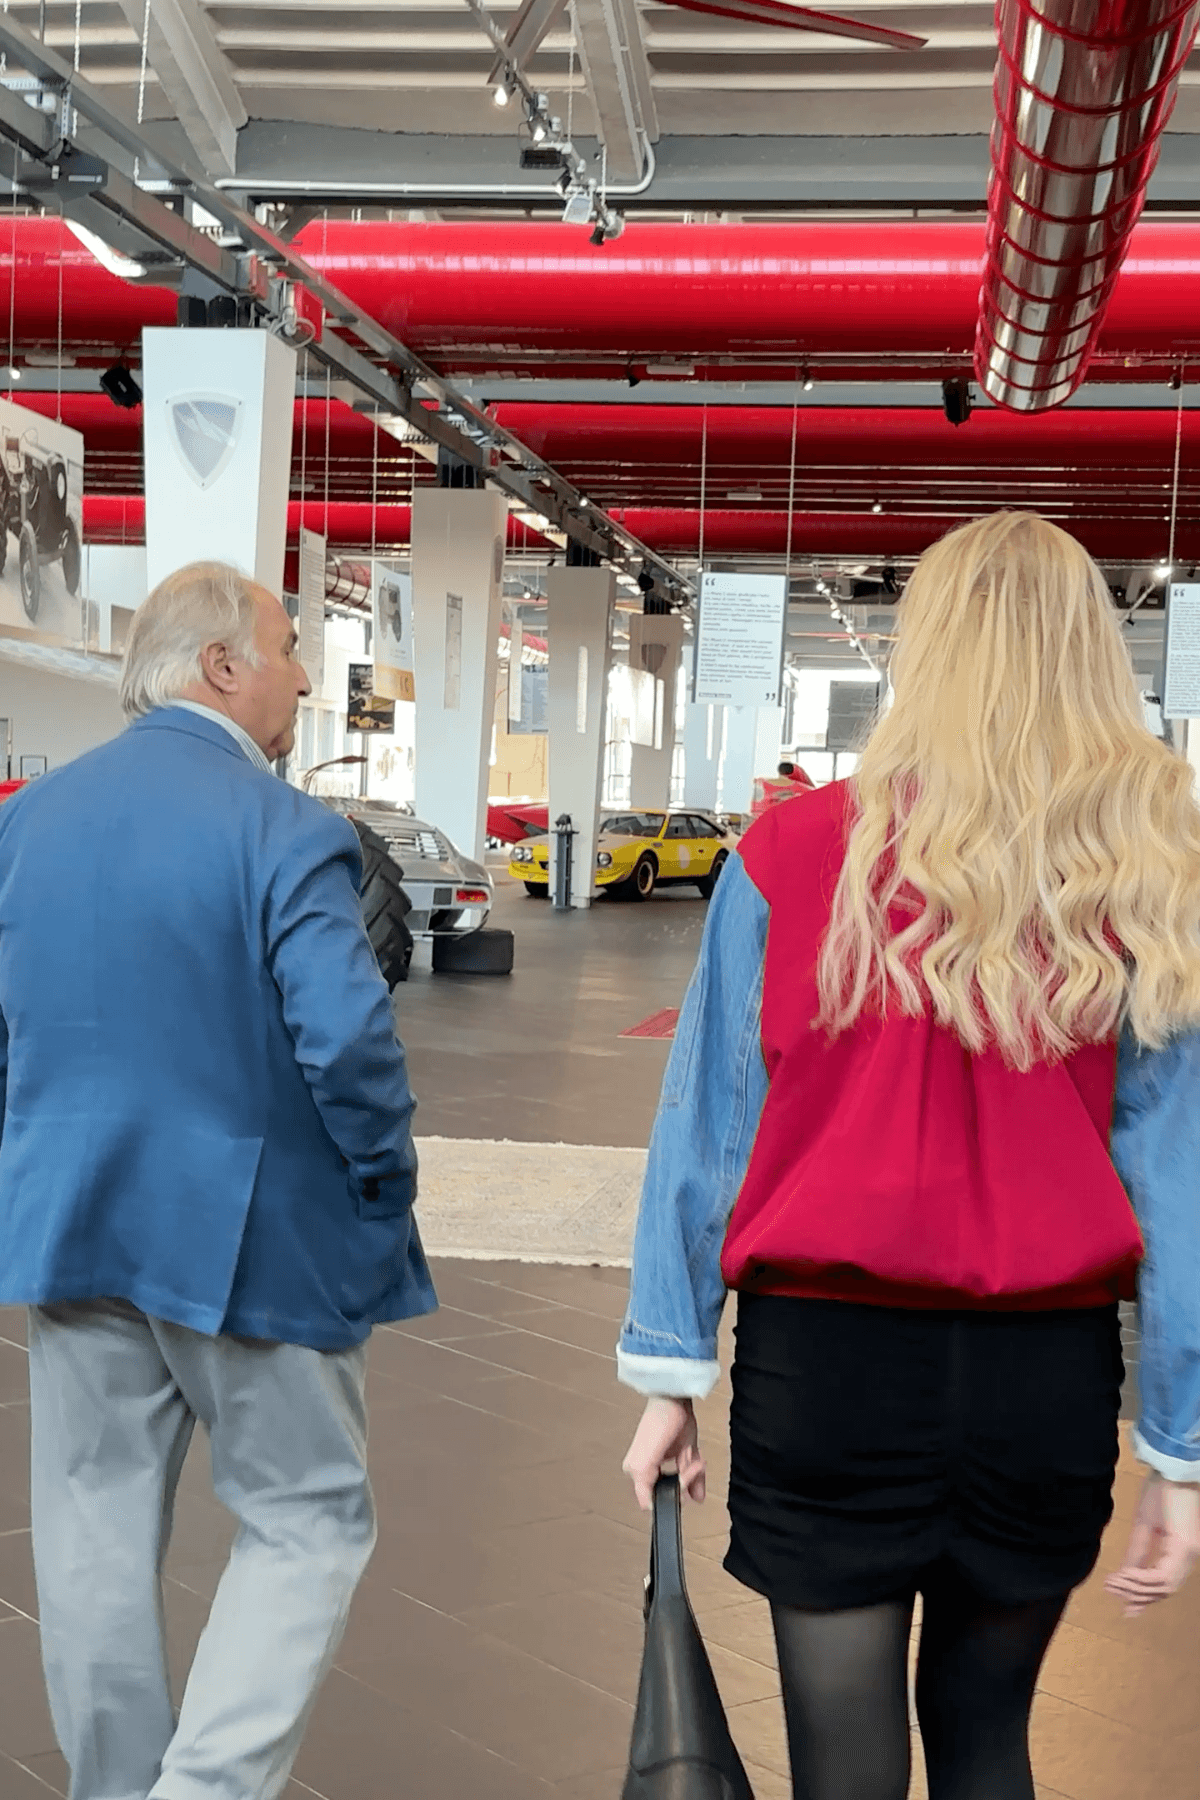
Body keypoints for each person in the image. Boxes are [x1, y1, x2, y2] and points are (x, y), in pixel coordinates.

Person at [618, 511, 1200, 1800]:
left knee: (844, 1769)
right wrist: (1179, 1446)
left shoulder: (789, 854)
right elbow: (1178, 1183)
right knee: (989, 1742)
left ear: (923, 649)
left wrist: (670, 1367)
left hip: (824, 1370)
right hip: (1044, 1378)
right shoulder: (1143, 877)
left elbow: (710, 1127)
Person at [0, 562, 435, 1800]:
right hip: (251, 1241)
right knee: (307, 1517)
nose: (303, 675)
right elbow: (347, 1044)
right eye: (290, 647)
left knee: (89, 1525)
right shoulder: (287, 829)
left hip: (71, 1227)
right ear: (223, 666)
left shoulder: (28, 822)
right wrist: (382, 1182)